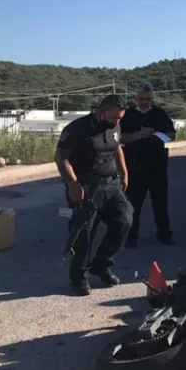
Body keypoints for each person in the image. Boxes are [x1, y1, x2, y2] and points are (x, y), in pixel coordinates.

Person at [54, 94, 133, 296]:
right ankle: (79, 276)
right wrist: (72, 184)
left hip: (111, 184)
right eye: (114, 117)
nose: (117, 121)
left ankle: (102, 265)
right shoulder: (77, 128)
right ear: (102, 110)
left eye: (120, 118)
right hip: (86, 187)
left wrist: (124, 172)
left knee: (124, 221)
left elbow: (117, 147)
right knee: (84, 232)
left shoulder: (115, 124)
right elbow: (60, 156)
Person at [119, 83, 177, 246]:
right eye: (141, 99)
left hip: (157, 164)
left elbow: (172, 134)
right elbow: (120, 138)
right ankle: (130, 237)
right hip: (134, 165)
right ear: (134, 99)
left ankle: (164, 234)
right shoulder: (127, 116)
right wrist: (141, 134)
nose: (145, 102)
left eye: (148, 99)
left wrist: (157, 135)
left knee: (160, 202)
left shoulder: (160, 114)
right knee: (133, 204)